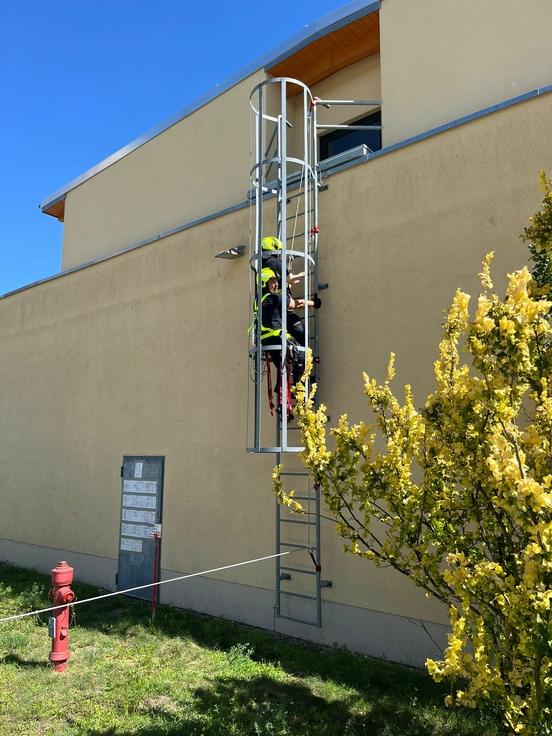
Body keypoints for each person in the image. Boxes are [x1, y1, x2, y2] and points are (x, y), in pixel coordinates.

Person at [260, 270, 321, 414]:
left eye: (276, 282)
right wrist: (314, 303)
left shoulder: (261, 299)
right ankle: (300, 387)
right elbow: (296, 304)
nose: (275, 284)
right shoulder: (277, 298)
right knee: (301, 356)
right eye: (272, 282)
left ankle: (283, 403)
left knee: (284, 367)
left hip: (267, 342)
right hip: (279, 338)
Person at [260, 236, 306, 347]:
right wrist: (303, 274)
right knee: (300, 332)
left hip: (268, 312)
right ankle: (303, 360)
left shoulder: (261, 266)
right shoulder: (274, 262)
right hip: (281, 306)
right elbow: (290, 279)